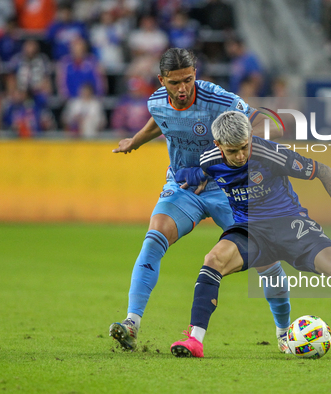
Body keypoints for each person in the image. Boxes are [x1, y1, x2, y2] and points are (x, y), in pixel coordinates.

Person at [169, 111, 331, 359]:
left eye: (245, 147)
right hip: (250, 231)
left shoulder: (270, 154)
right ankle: (195, 340)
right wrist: (190, 180)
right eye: (233, 151)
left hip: (291, 225)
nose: (241, 155)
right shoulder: (210, 160)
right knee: (212, 260)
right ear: (218, 145)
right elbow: (198, 173)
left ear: (250, 137)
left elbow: (323, 170)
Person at [109, 48, 292, 353]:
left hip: (228, 188)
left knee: (266, 259)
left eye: (188, 80)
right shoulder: (156, 101)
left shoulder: (219, 100)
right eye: (174, 83)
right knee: (154, 238)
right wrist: (135, 142)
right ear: (161, 80)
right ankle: (131, 324)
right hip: (183, 186)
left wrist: (217, 165)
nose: (182, 89)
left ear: (195, 74)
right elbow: (161, 120)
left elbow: (263, 124)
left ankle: (285, 333)